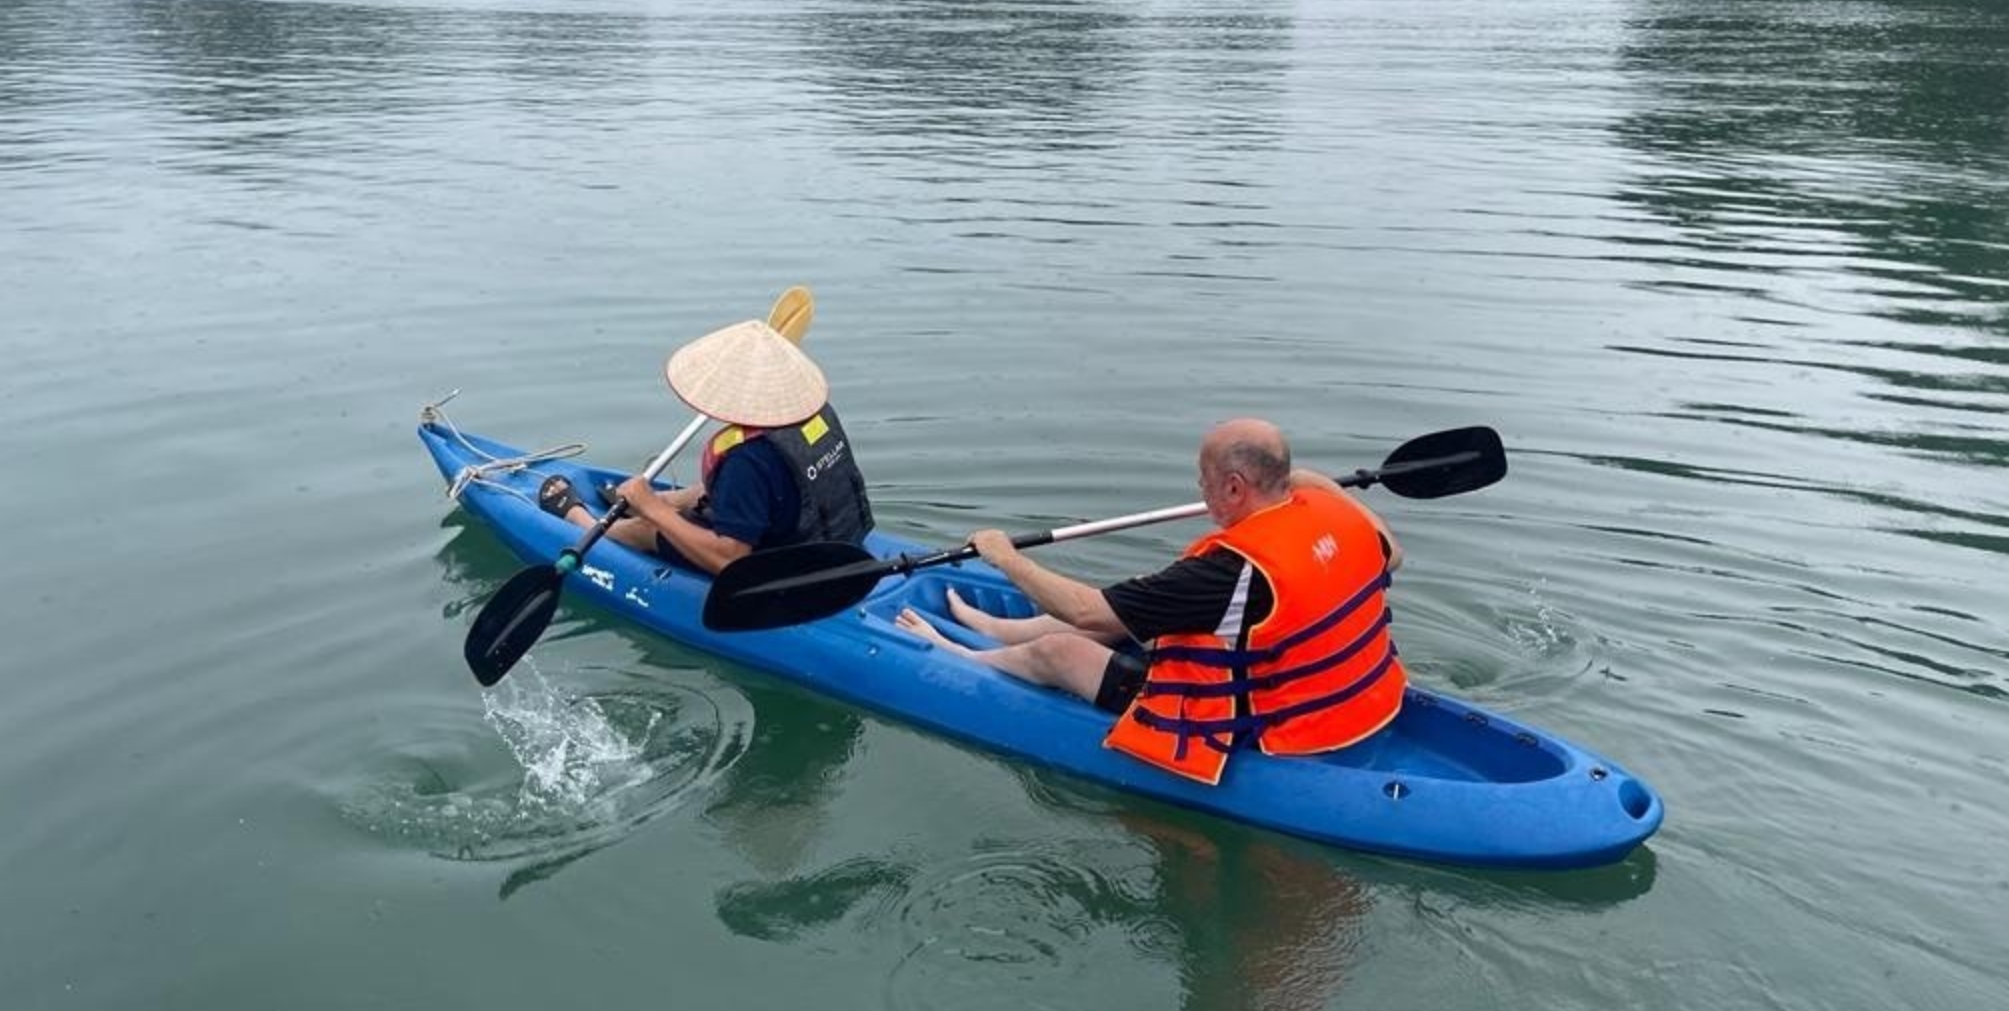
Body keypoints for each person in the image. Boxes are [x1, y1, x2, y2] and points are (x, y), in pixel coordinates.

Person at [896, 418, 1406, 785]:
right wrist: (1312, 484)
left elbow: (1086, 611)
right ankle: (993, 627)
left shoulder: (1227, 571)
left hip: (1264, 727)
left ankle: (955, 652)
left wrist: (1005, 558)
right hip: (1359, 702)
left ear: (1235, 486)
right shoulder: (1341, 518)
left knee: (1062, 650)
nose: (1200, 491)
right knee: (1145, 605)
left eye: (1204, 480)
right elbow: (1394, 555)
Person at [538, 318, 873, 575]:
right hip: (837, 543)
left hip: (785, 569)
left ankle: (582, 521)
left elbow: (729, 560)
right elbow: (778, 485)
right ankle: (658, 502)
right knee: (698, 495)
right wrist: (664, 500)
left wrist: (652, 510)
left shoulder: (747, 458)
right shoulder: (815, 414)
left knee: (648, 527)